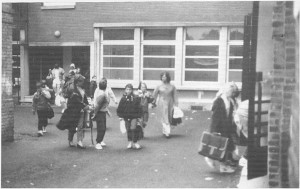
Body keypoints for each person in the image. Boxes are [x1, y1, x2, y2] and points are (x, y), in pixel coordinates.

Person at [207, 83, 240, 173]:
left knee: (225, 147)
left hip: (227, 128)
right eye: (231, 92)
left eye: (233, 92)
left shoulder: (229, 100)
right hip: (220, 128)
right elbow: (215, 117)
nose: (232, 94)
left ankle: (217, 162)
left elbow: (230, 115)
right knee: (221, 147)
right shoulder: (219, 101)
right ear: (226, 90)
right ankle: (221, 165)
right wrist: (214, 130)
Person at [57, 74, 89, 149]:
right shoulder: (73, 90)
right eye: (81, 81)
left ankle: (79, 142)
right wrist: (85, 105)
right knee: (72, 126)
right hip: (73, 111)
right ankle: (70, 141)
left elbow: (84, 98)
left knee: (80, 126)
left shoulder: (81, 89)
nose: (83, 82)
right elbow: (76, 100)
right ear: (77, 82)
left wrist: (86, 105)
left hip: (81, 110)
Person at [117, 84, 143, 149]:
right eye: (127, 89)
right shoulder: (123, 99)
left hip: (134, 116)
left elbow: (139, 107)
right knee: (128, 129)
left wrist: (139, 116)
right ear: (125, 90)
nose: (128, 91)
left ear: (132, 90)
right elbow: (120, 108)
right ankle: (130, 142)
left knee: (133, 128)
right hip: (126, 116)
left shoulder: (135, 98)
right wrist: (120, 116)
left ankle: (135, 142)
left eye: (130, 89)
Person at [152, 72, 178, 138]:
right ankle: (167, 131)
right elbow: (154, 94)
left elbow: (175, 95)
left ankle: (165, 130)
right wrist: (153, 102)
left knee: (169, 116)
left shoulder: (172, 86)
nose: (164, 78)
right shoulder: (158, 86)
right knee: (164, 116)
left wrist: (176, 104)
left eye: (165, 77)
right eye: (163, 77)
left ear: (168, 77)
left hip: (170, 102)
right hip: (162, 102)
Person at [91, 79, 110, 150]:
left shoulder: (103, 92)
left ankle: (101, 140)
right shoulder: (102, 94)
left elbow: (102, 105)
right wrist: (95, 114)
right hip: (100, 113)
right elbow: (98, 105)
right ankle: (98, 142)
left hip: (103, 112)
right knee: (101, 128)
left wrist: (107, 111)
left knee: (103, 128)